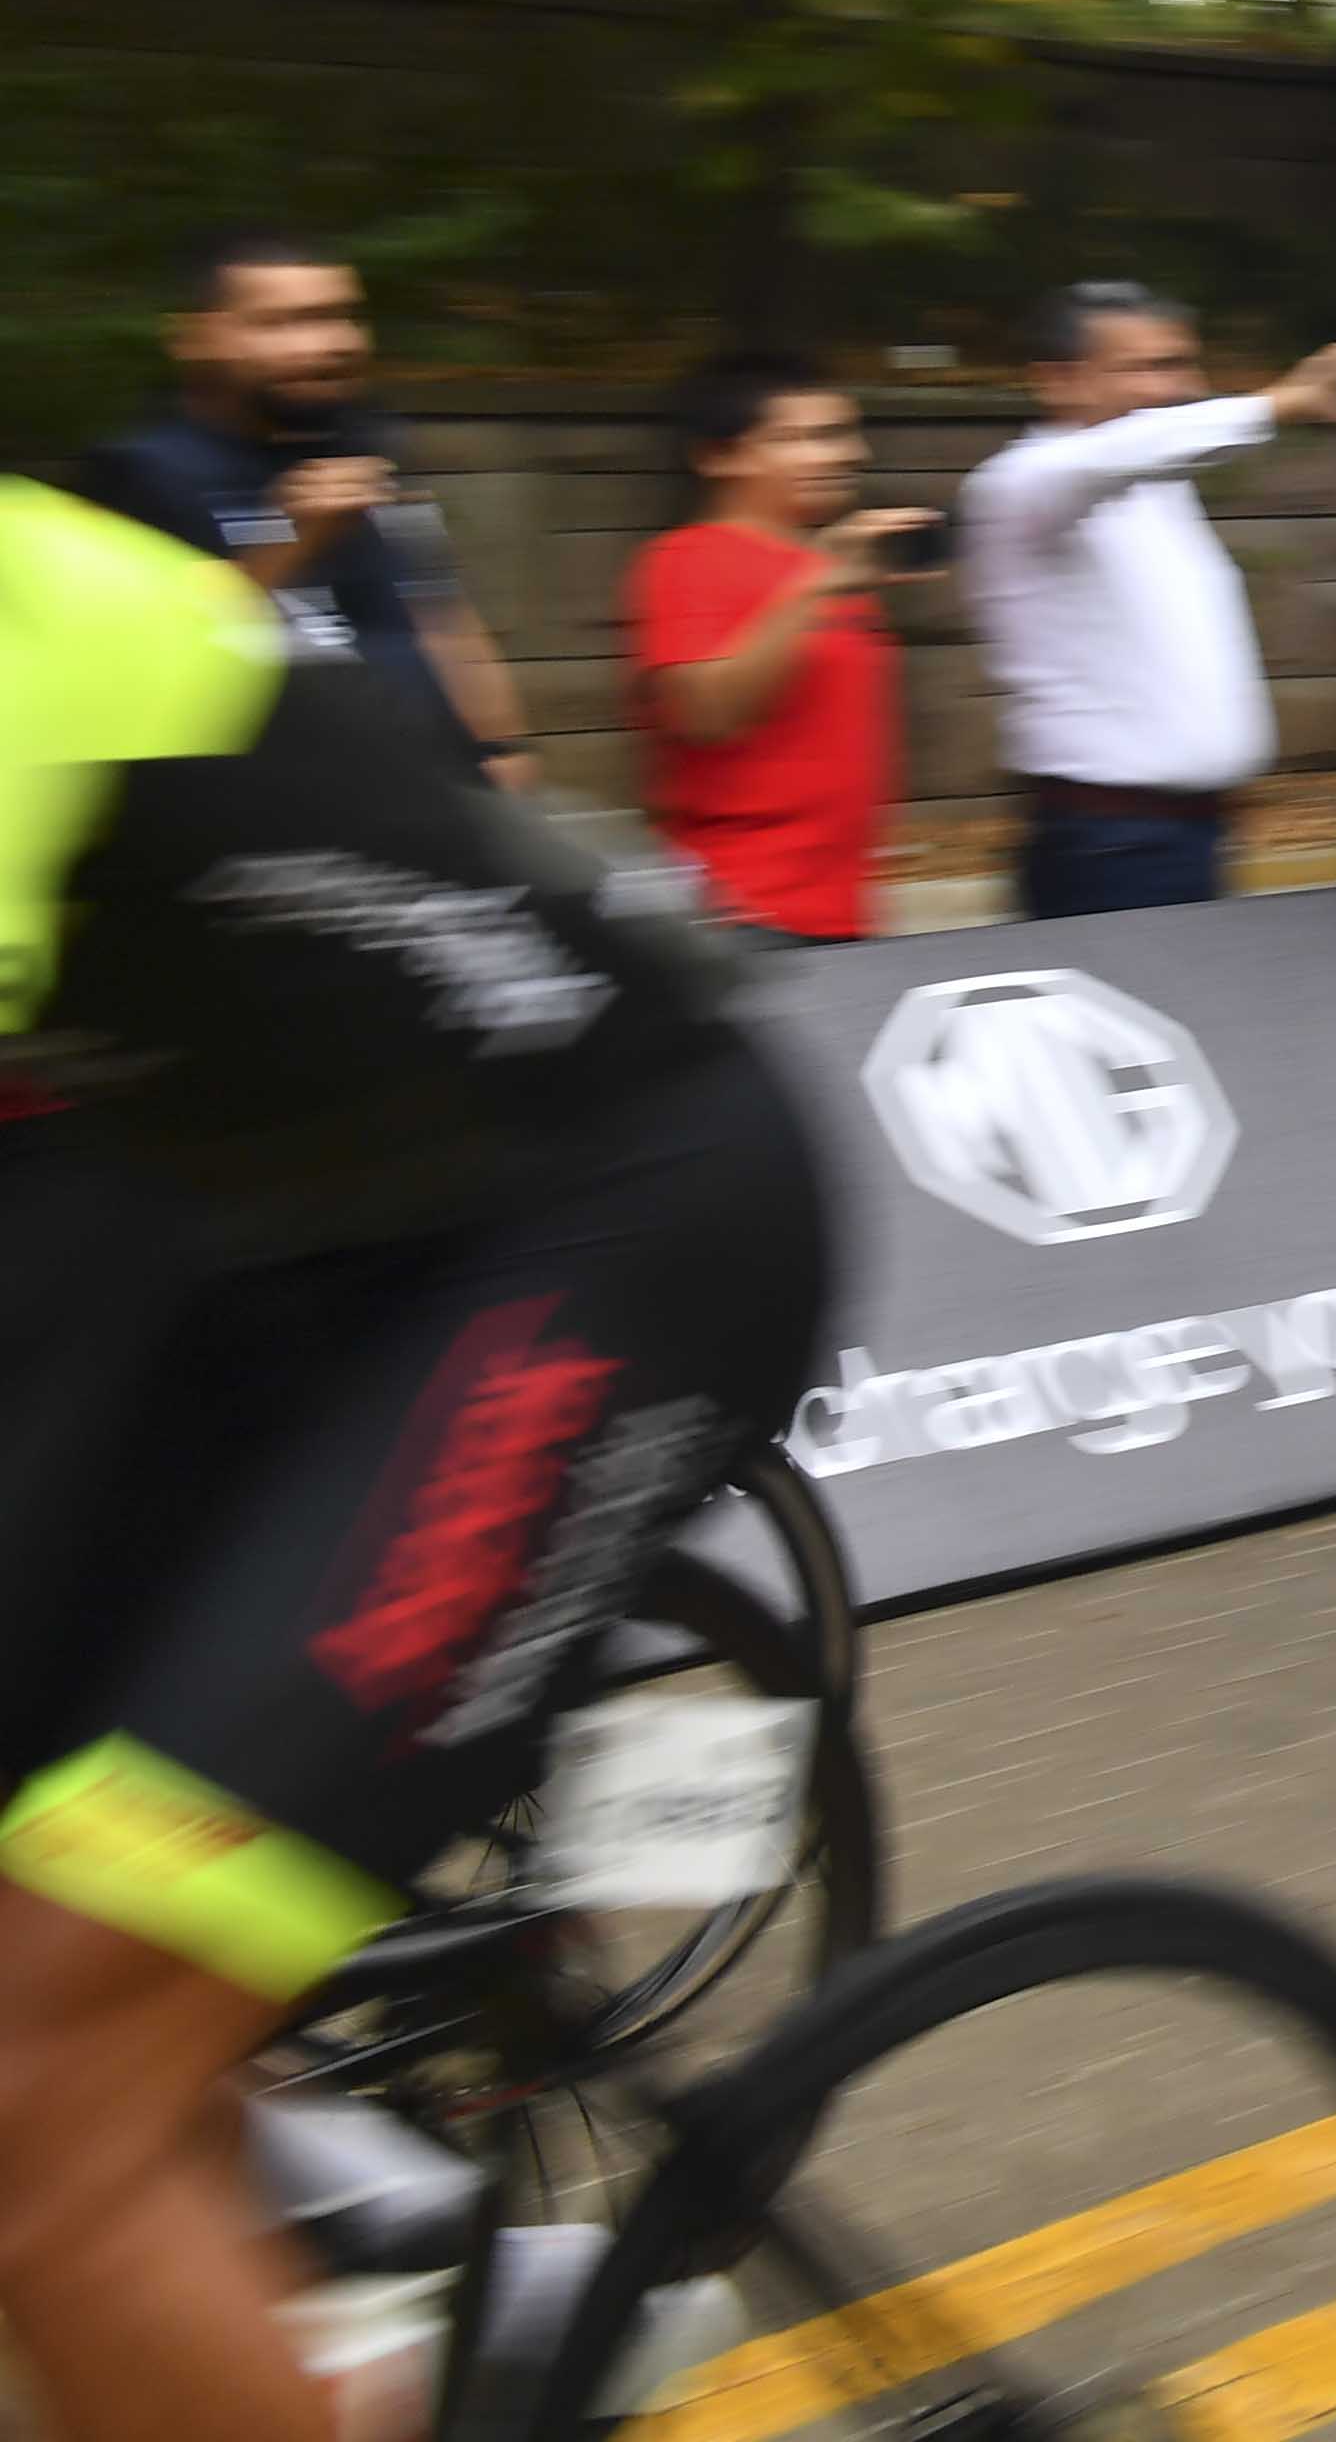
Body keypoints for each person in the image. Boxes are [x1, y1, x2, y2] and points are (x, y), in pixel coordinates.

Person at [0, 476, 834, 2442]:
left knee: (42, 2100)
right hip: (278, 1242)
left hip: (607, 1225)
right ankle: (338, 2303)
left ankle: (386, 2258)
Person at [960, 286, 1336, 919]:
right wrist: (1284, 402)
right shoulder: (1022, 483)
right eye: (1149, 367)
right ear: (1057, 381)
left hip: (1189, 834)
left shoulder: (1158, 492)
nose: (1182, 387)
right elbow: (1110, 457)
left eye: (1185, 364)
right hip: (1108, 847)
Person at [84, 229, 539, 794]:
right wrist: (288, 542)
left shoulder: (365, 446)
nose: (332, 342)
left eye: (341, 316)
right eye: (284, 323)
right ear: (193, 337)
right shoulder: (142, 475)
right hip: (279, 821)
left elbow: (440, 611)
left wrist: (502, 749)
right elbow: (136, 670)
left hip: (438, 799)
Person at [629, 352, 932, 943]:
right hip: (737, 914)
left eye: (845, 434)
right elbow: (704, 714)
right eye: (807, 437)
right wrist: (813, 589)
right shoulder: (687, 559)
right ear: (719, 456)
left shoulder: (831, 568)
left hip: (836, 910)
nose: (847, 454)